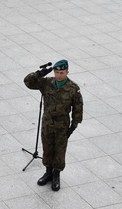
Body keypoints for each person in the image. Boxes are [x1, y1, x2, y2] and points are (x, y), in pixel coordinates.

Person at [24, 60, 83, 192]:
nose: (59, 75)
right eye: (56, 72)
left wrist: (73, 126)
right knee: (47, 147)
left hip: (62, 125)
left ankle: (56, 175)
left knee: (60, 150)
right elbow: (28, 82)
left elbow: (78, 109)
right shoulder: (47, 83)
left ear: (67, 72)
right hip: (47, 123)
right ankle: (48, 172)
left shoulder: (73, 88)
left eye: (62, 73)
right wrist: (39, 74)